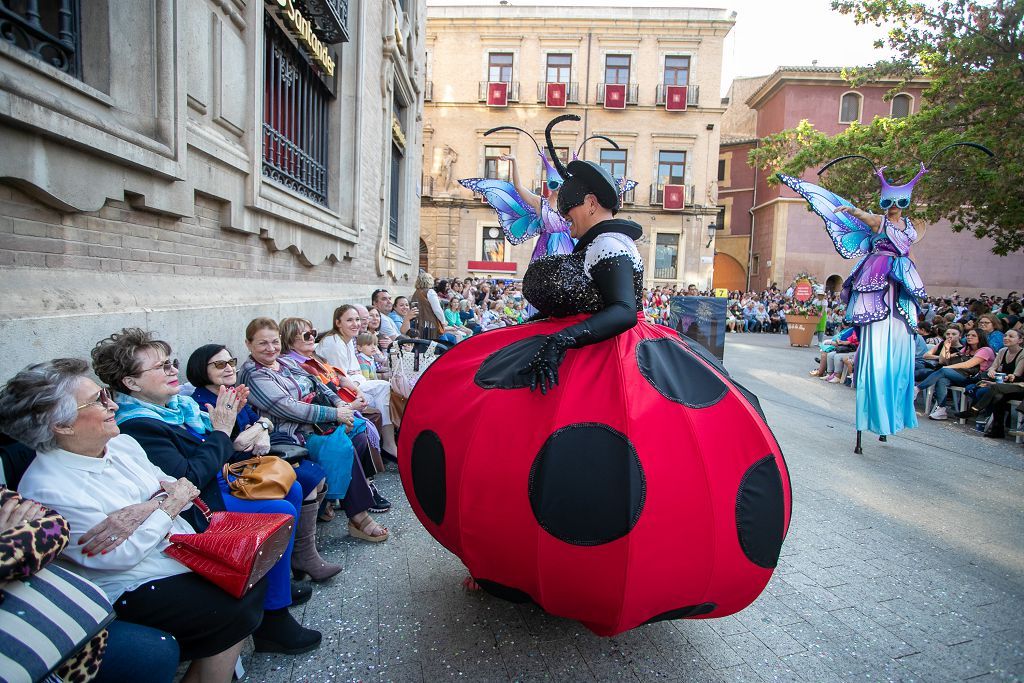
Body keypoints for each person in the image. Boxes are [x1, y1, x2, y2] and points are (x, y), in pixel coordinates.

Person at [398, 114, 789, 636]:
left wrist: (562, 339)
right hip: (576, 353)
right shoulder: (592, 242)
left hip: (607, 360)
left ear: (587, 203)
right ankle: (524, 563)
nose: (565, 217)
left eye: (568, 207)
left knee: (599, 474)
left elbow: (623, 311)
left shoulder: (610, 242)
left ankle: (589, 576)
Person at [0, 359, 266, 682]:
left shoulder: (121, 444)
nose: (112, 404)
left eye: (106, 394)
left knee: (250, 576)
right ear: (63, 425)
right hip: (129, 583)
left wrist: (148, 508)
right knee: (232, 603)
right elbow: (120, 554)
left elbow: (180, 488)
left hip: (172, 554)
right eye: (98, 400)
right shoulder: (48, 487)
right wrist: (167, 507)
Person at [89, 329, 321, 654]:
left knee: (293, 489)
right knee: (279, 512)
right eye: (161, 367)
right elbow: (188, 480)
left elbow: (215, 450)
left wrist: (238, 439)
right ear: (131, 383)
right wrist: (224, 433)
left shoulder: (179, 406)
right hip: (193, 508)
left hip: (212, 488)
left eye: (172, 363)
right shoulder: (137, 424)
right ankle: (273, 618)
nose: (173, 371)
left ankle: (276, 584)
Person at [185, 344, 340, 583]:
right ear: (200, 369)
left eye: (231, 362)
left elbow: (261, 421)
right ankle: (298, 558)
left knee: (312, 475)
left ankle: (301, 554)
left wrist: (261, 428)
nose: (228, 368)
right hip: (235, 469)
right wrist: (252, 432)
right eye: (219, 364)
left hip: (257, 456)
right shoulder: (202, 403)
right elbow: (229, 445)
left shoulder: (232, 391)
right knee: (305, 479)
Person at [239, 318, 389, 542]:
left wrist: (341, 406)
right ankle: (359, 515)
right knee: (342, 443)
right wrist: (335, 415)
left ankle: (334, 499)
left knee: (359, 431)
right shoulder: (254, 374)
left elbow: (320, 385)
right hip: (290, 435)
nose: (270, 348)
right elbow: (288, 407)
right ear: (248, 344)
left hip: (318, 423)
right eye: (262, 344)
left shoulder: (286, 363)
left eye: (274, 342)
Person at [316, 305, 398, 456]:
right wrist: (357, 384)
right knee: (383, 388)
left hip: (354, 386)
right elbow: (340, 379)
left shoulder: (346, 341)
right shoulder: (333, 343)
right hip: (338, 394)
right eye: (349, 320)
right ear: (338, 323)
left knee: (383, 391)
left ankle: (387, 444)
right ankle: (387, 444)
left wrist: (357, 381)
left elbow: (356, 373)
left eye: (357, 319)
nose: (356, 324)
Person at [956, 328, 1024, 437]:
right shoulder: (1002, 351)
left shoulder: (1022, 354)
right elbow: (993, 368)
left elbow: (1016, 376)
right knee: (998, 396)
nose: (1006, 338)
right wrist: (992, 372)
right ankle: (997, 430)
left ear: (1020, 340)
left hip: (1018, 386)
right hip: (1005, 386)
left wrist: (1003, 380)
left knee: (995, 388)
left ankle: (975, 409)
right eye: (1005, 335)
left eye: (1011, 336)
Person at [916, 329, 994, 420]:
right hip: (962, 375)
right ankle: (941, 410)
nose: (969, 337)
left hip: (976, 379)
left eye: (973, 335)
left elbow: (968, 364)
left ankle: (917, 388)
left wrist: (947, 368)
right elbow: (944, 361)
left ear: (981, 337)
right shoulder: (967, 349)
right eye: (968, 335)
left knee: (943, 371)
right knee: (942, 380)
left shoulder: (986, 350)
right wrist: (946, 347)